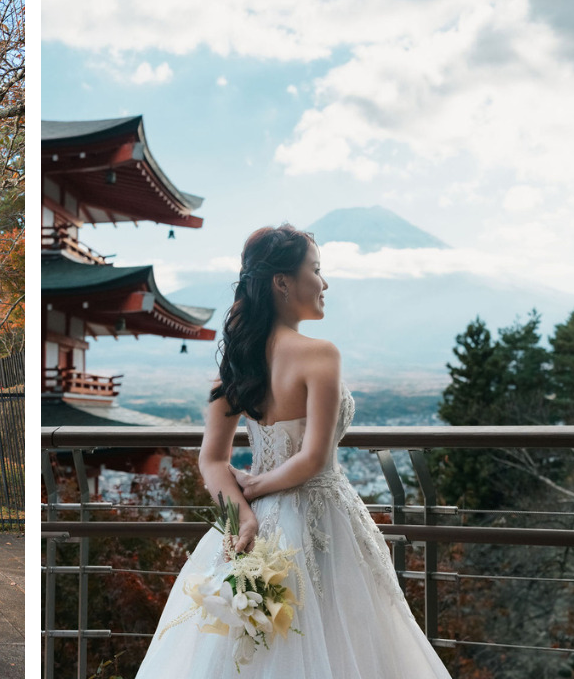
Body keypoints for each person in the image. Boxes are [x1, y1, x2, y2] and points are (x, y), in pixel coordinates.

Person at [135, 225, 452, 678]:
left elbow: (212, 461)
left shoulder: (234, 367)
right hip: (325, 520)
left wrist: (243, 512)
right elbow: (315, 458)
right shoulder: (321, 354)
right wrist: (254, 491)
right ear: (281, 282)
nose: (324, 283)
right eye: (316, 270)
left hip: (257, 523)